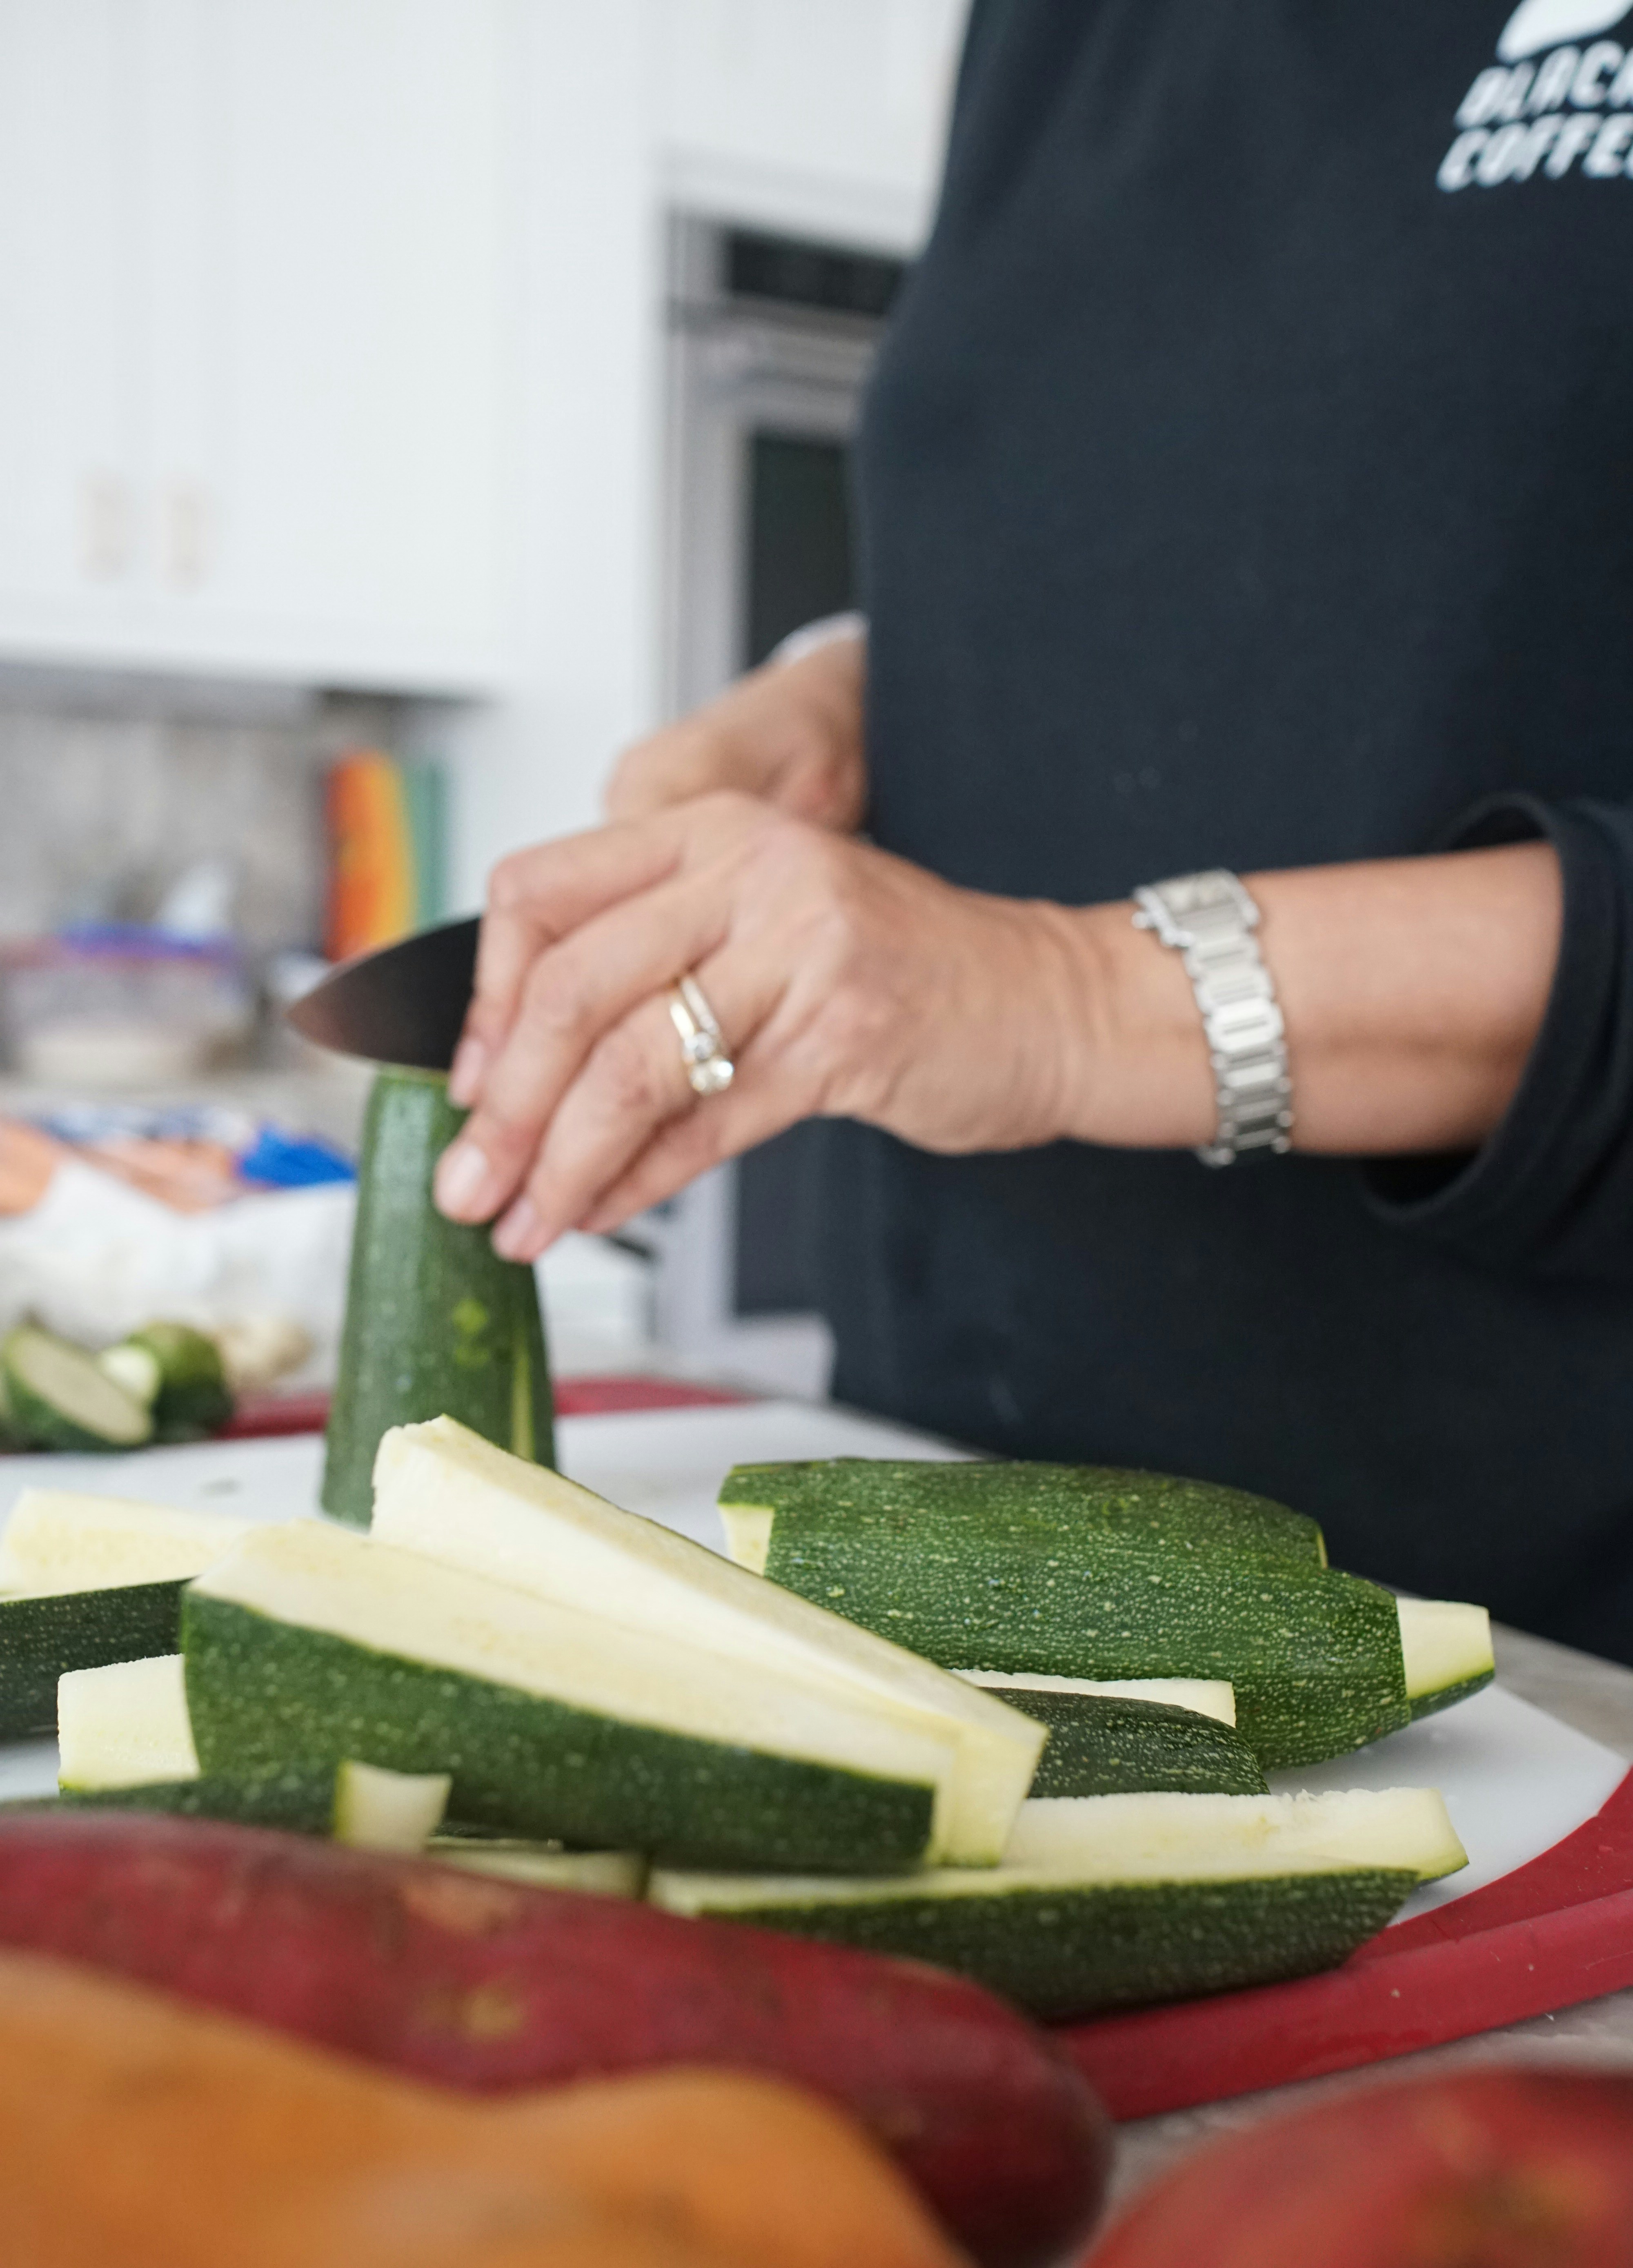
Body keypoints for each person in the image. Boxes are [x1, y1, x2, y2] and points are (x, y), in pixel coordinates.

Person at [434, 1, 1633, 1666]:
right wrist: (853, 691)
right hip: (937, 1524)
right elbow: (1223, 530)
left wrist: (1063, 998)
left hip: (1520, 1640)